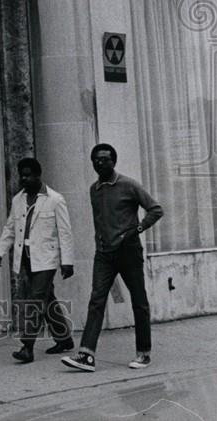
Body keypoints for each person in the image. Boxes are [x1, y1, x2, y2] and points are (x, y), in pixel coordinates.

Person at [62, 143, 163, 373]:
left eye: (105, 159)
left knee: (139, 301)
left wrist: (136, 230)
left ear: (113, 161)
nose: (100, 163)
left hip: (129, 251)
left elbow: (156, 209)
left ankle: (143, 353)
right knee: (96, 300)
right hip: (104, 254)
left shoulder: (129, 185)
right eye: (96, 160)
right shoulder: (94, 189)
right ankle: (86, 355)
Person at [0, 157, 75, 364]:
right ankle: (64, 339)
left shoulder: (55, 199)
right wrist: (0, 251)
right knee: (47, 299)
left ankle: (27, 346)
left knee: (36, 299)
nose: (24, 178)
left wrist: (67, 261)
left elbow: (65, 233)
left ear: (38, 175)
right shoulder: (18, 200)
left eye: (28, 175)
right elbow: (10, 227)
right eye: (22, 175)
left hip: (46, 259)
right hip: (26, 258)